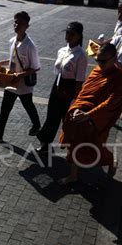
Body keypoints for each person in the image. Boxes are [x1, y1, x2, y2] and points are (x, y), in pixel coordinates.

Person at [58, 44, 122, 184]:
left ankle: (110, 160)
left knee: (94, 147)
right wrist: (76, 108)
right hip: (81, 114)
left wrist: (88, 115)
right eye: (98, 60)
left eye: (103, 61)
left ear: (114, 58)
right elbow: (84, 93)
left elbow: (112, 102)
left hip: (100, 118)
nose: (100, 64)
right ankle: (73, 176)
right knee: (73, 141)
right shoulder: (97, 71)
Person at [0, 11, 41, 142]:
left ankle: (37, 126)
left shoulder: (29, 46)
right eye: (15, 22)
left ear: (27, 26)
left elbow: (36, 67)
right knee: (5, 109)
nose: (16, 25)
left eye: (20, 23)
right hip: (11, 82)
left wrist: (21, 75)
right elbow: (13, 59)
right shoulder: (13, 41)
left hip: (23, 84)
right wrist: (1, 63)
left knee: (28, 106)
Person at [35, 22, 88, 154]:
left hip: (70, 89)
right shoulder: (62, 50)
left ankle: (75, 148)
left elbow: (79, 80)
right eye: (67, 33)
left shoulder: (81, 55)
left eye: (72, 34)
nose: (68, 36)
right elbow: (58, 71)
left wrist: (75, 100)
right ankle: (45, 144)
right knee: (51, 116)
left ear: (79, 36)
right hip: (57, 85)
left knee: (68, 120)